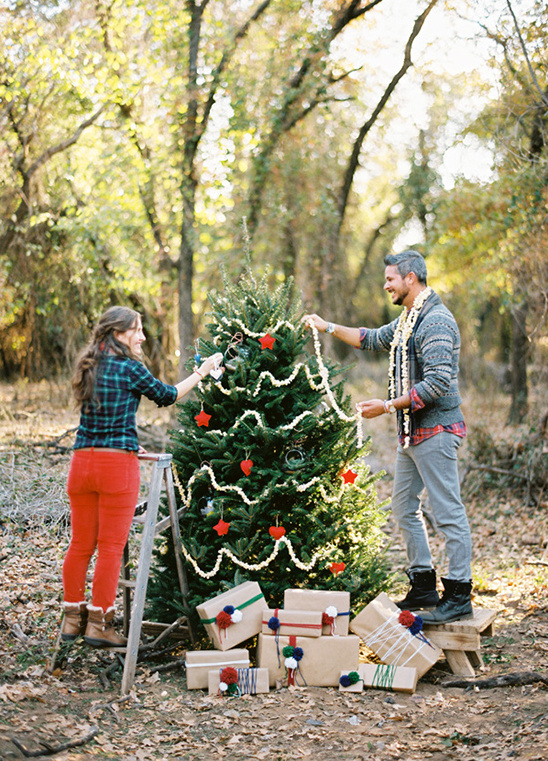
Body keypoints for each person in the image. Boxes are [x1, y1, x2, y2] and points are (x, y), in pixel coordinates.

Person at [303, 250, 473, 624]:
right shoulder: (407, 320)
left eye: (391, 279)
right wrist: (326, 326)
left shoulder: (436, 321)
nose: (386, 285)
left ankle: (459, 593)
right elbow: (369, 338)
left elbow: (438, 384)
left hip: (437, 432)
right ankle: (424, 584)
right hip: (411, 437)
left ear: (410, 278)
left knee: (448, 514)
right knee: (402, 507)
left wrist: (387, 405)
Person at [60, 306, 223, 647]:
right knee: (110, 547)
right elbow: (167, 395)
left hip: (81, 464)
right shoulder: (130, 368)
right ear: (118, 333)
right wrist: (203, 372)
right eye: (137, 330)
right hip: (115, 466)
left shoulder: (89, 363)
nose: (143, 336)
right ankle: (100, 623)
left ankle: (73, 617)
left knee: (80, 545)